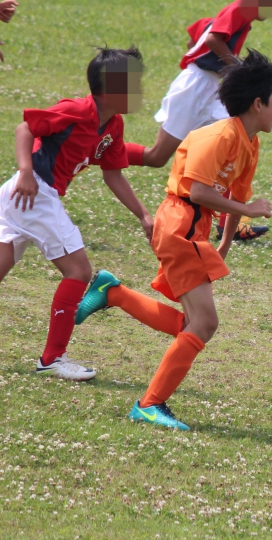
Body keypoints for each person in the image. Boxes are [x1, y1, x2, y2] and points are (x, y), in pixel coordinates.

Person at [76, 50, 272, 429]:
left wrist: (224, 244)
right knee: (204, 323)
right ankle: (149, 404)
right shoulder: (217, 136)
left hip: (193, 228)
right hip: (180, 222)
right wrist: (249, 210)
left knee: (192, 323)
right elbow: (200, 192)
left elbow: (235, 197)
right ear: (258, 103)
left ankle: (113, 293)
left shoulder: (249, 143)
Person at [0, 46, 153, 381]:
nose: (140, 90)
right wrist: (25, 172)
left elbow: (113, 174)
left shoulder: (113, 124)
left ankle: (53, 357)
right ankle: (52, 358)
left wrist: (143, 214)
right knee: (79, 270)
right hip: (35, 191)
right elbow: (25, 129)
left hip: (22, 196)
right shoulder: (77, 110)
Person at [125, 0, 272, 241]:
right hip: (195, 87)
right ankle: (100, 150)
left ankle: (229, 225)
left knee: (234, 144)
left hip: (211, 87)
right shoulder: (240, 8)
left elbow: (195, 37)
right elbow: (211, 39)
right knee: (156, 157)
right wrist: (237, 68)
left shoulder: (240, 17)